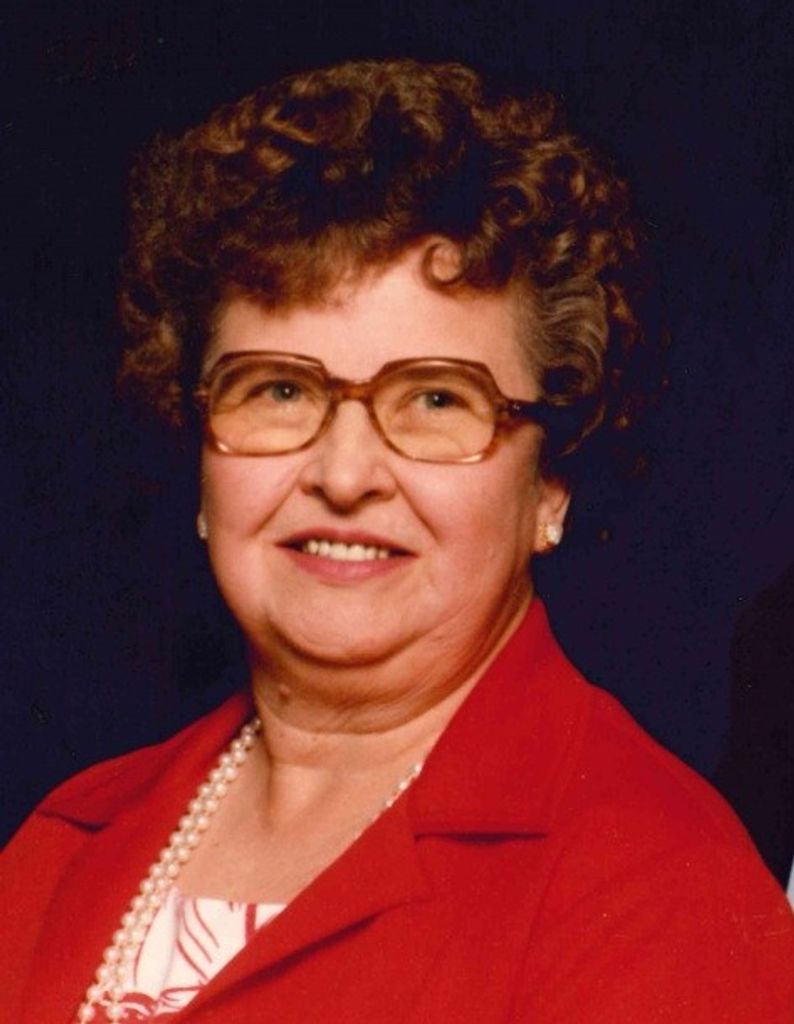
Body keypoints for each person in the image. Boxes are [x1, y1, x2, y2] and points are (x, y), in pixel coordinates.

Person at [1, 58, 791, 1023]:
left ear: (550, 486)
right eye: (278, 389)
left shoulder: (657, 891)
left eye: (436, 401)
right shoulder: (63, 846)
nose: (344, 475)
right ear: (201, 449)